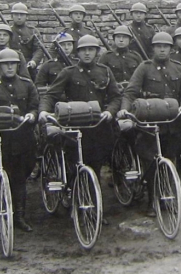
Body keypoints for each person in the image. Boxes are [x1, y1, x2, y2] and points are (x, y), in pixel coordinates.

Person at [117, 32, 181, 216]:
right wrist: (125, 110)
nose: (162, 49)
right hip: (149, 122)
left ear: (171, 49)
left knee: (170, 159)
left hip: (172, 122)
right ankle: (152, 200)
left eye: (166, 46)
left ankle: (168, 194)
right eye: (158, 46)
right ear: (153, 49)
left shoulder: (179, 68)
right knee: (150, 162)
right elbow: (130, 92)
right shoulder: (144, 67)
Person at [39, 35, 121, 186]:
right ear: (77, 53)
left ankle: (92, 198)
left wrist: (109, 111)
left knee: (96, 164)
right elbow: (50, 95)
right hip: (74, 125)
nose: (87, 53)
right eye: (83, 50)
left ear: (97, 52)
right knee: (74, 164)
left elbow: (116, 97)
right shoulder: (69, 72)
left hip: (98, 126)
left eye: (91, 50)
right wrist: (43, 111)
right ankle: (73, 192)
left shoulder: (105, 71)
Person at [0, 49, 39, 232]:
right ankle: (0, 199)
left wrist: (31, 116)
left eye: (13, 63)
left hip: (22, 139)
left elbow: (35, 106)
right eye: (5, 64)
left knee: (20, 178)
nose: (9, 67)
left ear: (18, 65)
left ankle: (19, 216)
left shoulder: (27, 85)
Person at [8, 2, 44, 79]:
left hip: (28, 67)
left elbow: (39, 49)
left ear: (26, 16)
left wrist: (34, 61)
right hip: (10, 66)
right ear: (12, 16)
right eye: (16, 15)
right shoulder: (7, 31)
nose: (19, 17)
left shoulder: (33, 31)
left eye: (22, 15)